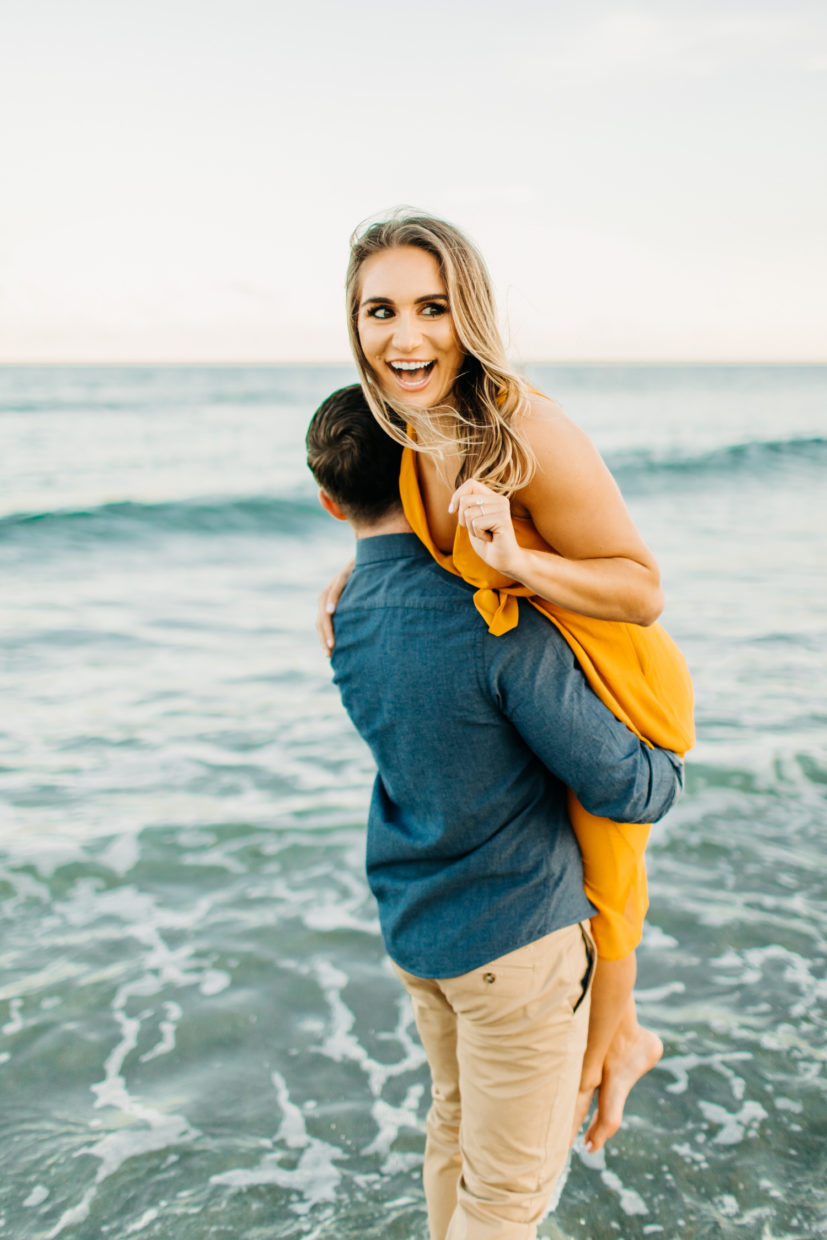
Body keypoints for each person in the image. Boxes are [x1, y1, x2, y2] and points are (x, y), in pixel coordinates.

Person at [317, 211, 696, 1154]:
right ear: (354, 322)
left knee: (607, 889)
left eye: (432, 307)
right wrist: (349, 575)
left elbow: (641, 589)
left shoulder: (525, 427)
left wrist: (521, 564)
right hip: (536, 677)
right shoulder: (408, 425)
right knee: (596, 887)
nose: (405, 336)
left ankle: (620, 1047)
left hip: (612, 678)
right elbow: (422, 540)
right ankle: (613, 1049)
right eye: (380, 311)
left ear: (469, 314)